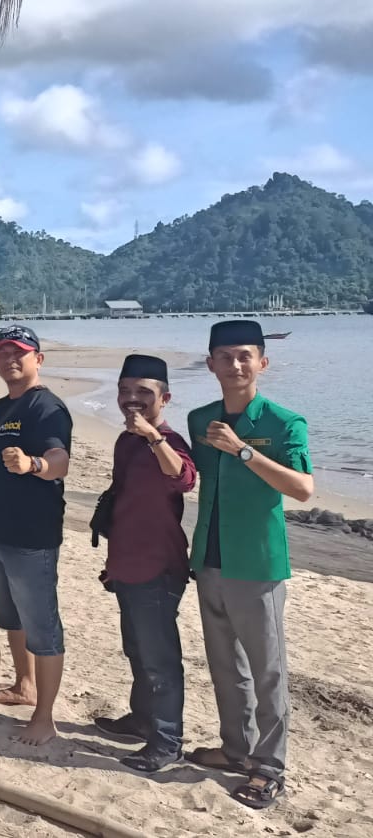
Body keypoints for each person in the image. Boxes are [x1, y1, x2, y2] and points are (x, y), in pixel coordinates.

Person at [184, 321, 312, 810]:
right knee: (224, 665)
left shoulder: (283, 423)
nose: (235, 365)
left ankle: (269, 766)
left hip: (257, 564)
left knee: (267, 671)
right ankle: (235, 748)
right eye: (225, 356)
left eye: (244, 356)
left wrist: (241, 451)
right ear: (211, 362)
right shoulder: (200, 419)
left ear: (262, 361)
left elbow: (302, 488)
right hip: (209, 558)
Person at [0, 325, 72, 746]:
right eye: (2, 353)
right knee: (10, 617)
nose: (10, 359)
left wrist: (35, 466)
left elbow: (60, 459)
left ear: (38, 359)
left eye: (19, 353)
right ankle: (24, 685)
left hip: (31, 538)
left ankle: (45, 716)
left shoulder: (48, 408)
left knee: (42, 626)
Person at [91, 354, 196, 773]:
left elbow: (184, 478)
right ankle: (142, 720)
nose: (131, 399)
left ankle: (168, 742)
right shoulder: (124, 441)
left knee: (160, 658)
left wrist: (154, 436)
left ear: (164, 398)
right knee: (136, 649)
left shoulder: (169, 440)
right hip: (127, 564)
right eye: (124, 391)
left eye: (143, 393)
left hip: (159, 566)